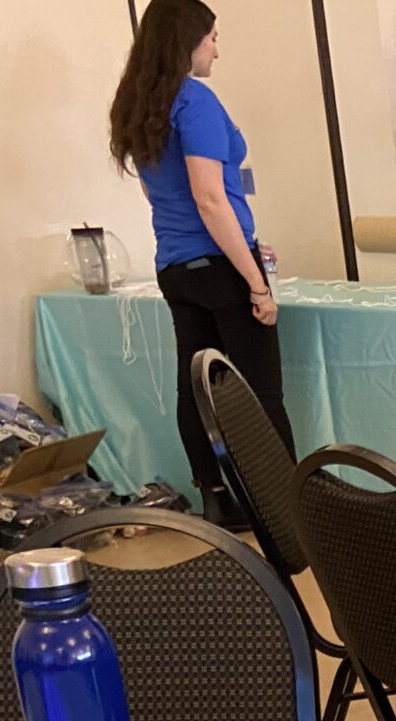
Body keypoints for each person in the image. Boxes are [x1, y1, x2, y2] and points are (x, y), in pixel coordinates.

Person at [109, 0, 290, 525]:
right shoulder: (196, 102)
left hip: (176, 265)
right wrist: (254, 278)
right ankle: (280, 509)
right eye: (212, 37)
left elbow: (156, 193)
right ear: (188, 42)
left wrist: (240, 241)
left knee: (198, 385)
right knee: (259, 390)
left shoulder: (138, 104)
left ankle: (216, 497)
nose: (217, 47)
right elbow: (210, 198)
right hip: (219, 264)